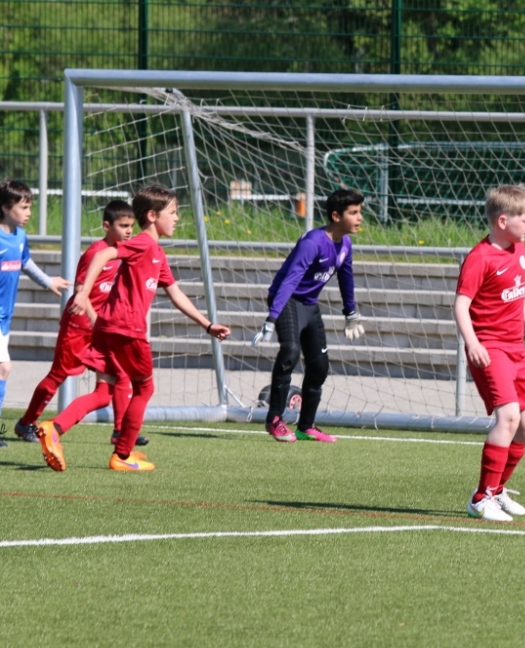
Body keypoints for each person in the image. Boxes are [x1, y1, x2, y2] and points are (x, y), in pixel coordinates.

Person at [37, 184, 231, 472]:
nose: (177, 218)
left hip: (107, 326)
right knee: (144, 387)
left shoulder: (157, 253)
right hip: (125, 328)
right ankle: (122, 454)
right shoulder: (143, 243)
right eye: (173, 212)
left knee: (104, 392)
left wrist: (208, 325)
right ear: (152, 215)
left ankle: (54, 428)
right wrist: (83, 292)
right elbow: (103, 255)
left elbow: (176, 294)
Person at [14, 201, 149, 449]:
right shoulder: (96, 252)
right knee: (58, 375)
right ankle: (27, 422)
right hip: (80, 325)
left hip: (103, 329)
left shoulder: (124, 252)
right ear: (106, 226)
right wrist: (95, 319)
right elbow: (80, 289)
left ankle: (120, 431)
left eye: (131, 226)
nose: (129, 231)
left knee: (119, 375)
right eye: (123, 226)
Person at [454, 184, 525, 522]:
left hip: (515, 347)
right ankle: (481, 498)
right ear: (503, 221)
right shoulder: (480, 258)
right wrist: (473, 342)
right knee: (509, 417)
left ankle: (498, 489)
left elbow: (517, 294)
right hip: (490, 348)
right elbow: (461, 305)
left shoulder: (518, 247)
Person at [251, 188, 366, 443]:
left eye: (360, 212)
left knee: (319, 366)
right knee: (290, 352)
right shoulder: (312, 243)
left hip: (310, 305)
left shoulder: (346, 245)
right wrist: (272, 318)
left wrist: (351, 313)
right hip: (287, 301)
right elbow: (290, 280)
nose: (359, 218)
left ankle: (306, 426)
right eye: (353, 212)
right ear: (336, 216)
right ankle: (275, 419)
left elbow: (346, 279)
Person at [0, 178, 70, 446]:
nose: (29, 212)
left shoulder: (19, 236)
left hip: (5, 318)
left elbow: (25, 262)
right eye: (24, 207)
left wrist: (48, 281)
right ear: (5, 207)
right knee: (3, 367)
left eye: (30, 206)